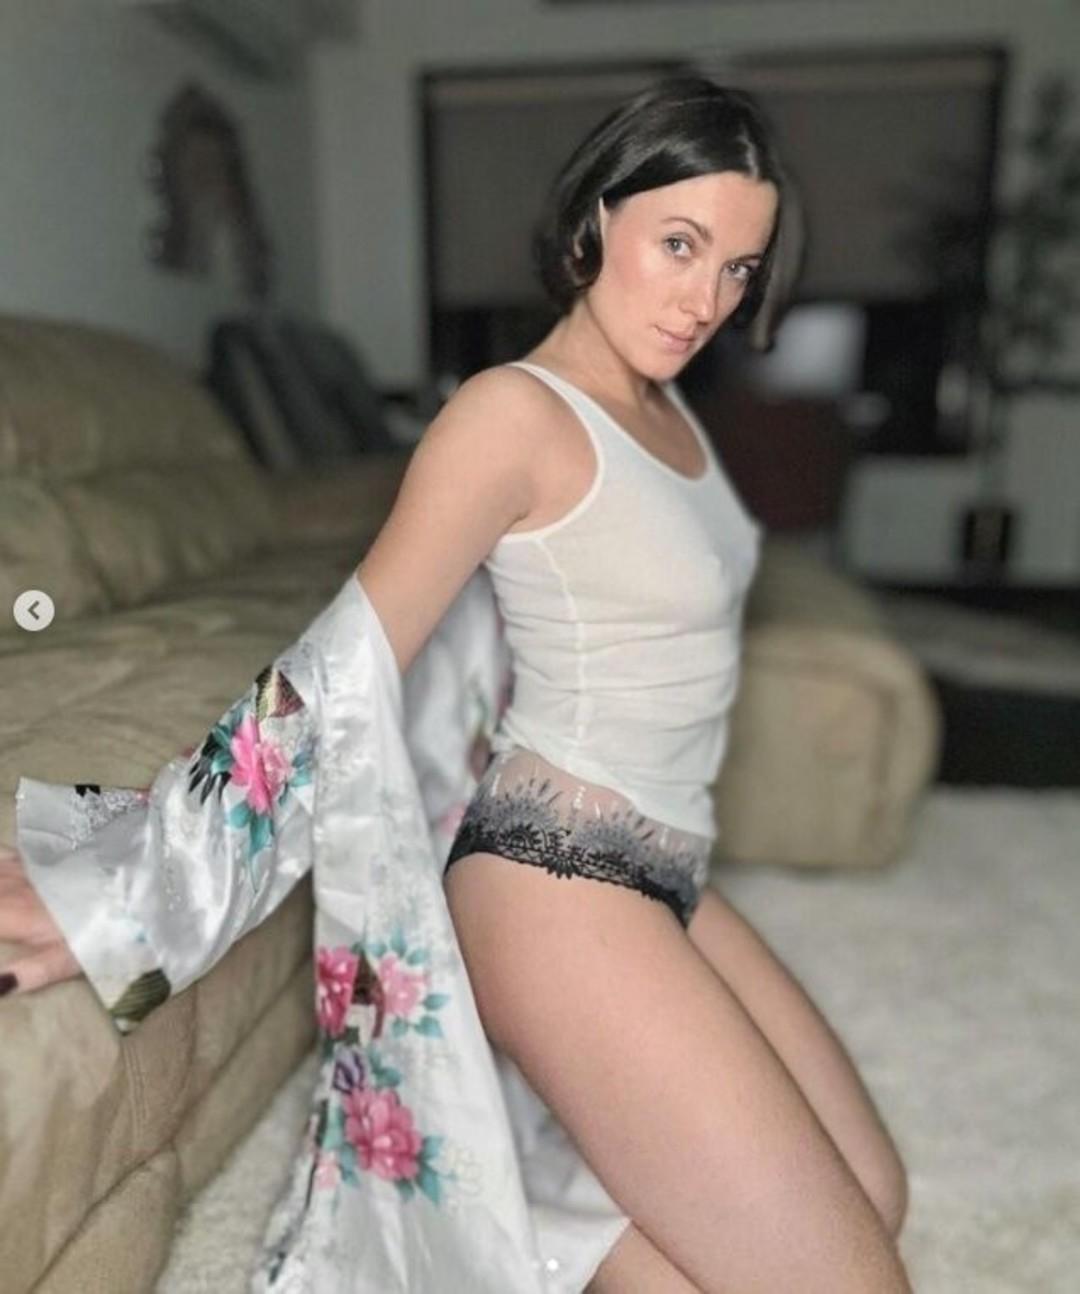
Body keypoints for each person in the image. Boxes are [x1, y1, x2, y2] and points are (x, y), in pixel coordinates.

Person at [0, 77, 911, 1292]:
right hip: (556, 883)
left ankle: (530, 1240)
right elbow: (344, 663)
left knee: (875, 1198)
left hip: (671, 871)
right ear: (597, 221)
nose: (706, 299)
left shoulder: (670, 413)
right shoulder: (510, 415)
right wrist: (135, 888)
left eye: (739, 267)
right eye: (680, 245)